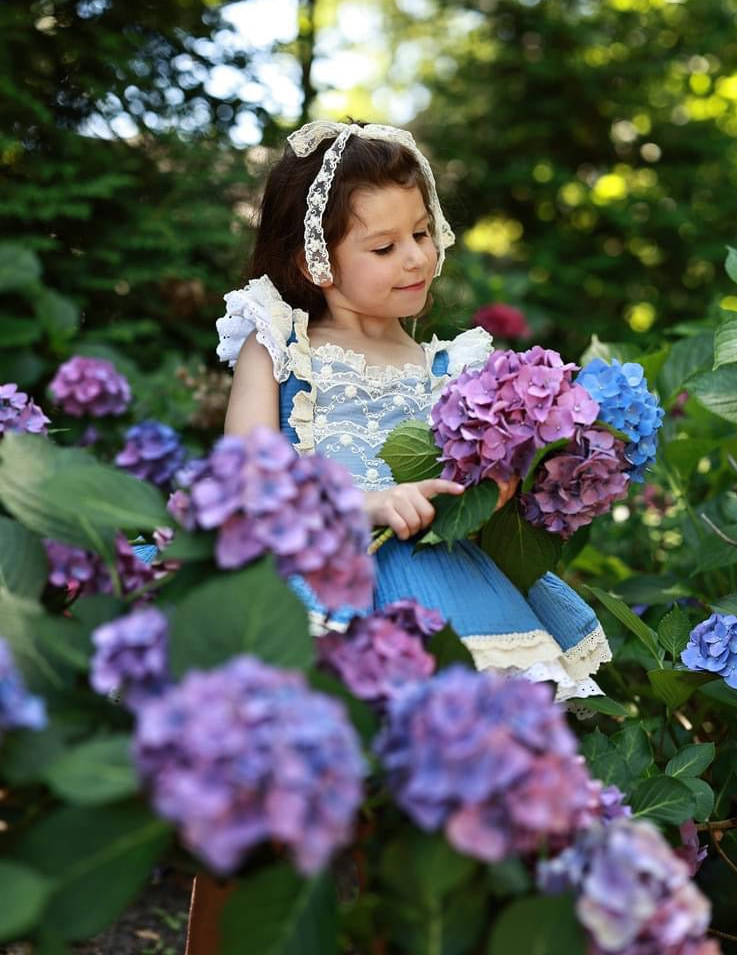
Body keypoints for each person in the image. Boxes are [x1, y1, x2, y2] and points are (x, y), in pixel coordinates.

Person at [186, 118, 612, 955]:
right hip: (323, 589)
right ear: (317, 261)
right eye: (383, 248)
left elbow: (474, 483)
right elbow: (246, 476)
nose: (416, 258)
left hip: (446, 596)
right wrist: (368, 502)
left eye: (421, 233)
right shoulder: (283, 347)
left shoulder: (448, 366)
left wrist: (517, 479)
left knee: (429, 811)